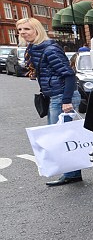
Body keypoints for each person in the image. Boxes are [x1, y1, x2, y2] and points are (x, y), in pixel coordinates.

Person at [16, 17, 83, 186]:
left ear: (37, 30)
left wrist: (66, 101)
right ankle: (72, 173)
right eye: (20, 30)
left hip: (61, 97)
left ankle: (71, 174)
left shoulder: (50, 49)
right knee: (62, 138)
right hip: (54, 96)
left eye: (27, 29)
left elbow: (68, 75)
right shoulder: (33, 48)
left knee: (60, 138)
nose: (23, 33)